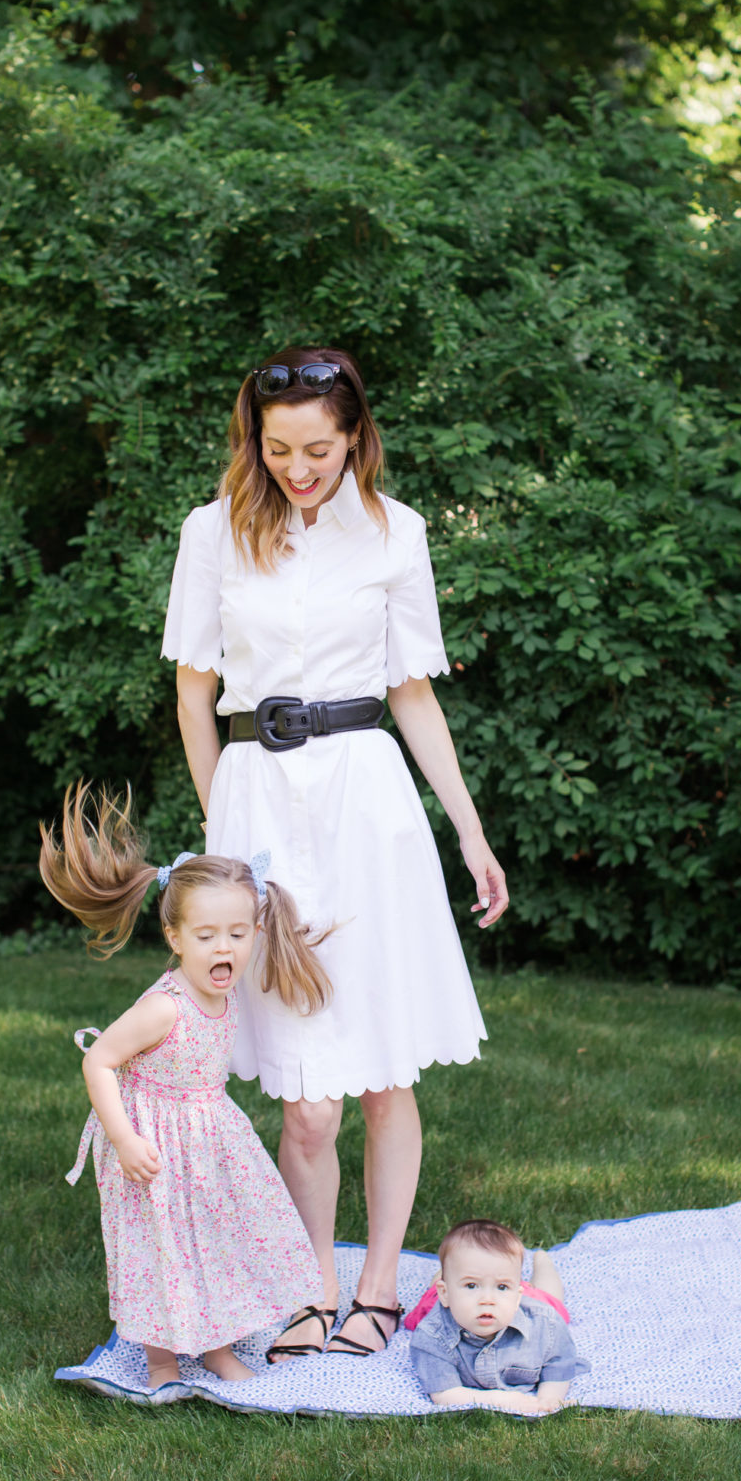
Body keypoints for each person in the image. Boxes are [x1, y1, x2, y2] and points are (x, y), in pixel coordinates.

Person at [161, 346, 508, 1360]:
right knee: (304, 1103)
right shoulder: (211, 533)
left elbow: (411, 693)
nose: (297, 468)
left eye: (317, 447)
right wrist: (221, 827)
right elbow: (193, 688)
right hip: (258, 804)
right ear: (253, 443)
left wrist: (470, 830)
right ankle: (306, 1286)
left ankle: (373, 1289)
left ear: (355, 435)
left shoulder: (397, 534)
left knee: (381, 1074)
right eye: (277, 450)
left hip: (368, 809)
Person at [39, 782, 329, 1392]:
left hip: (206, 1137)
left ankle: (217, 1346)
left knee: (216, 1238)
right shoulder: (164, 1007)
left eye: (237, 933)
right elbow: (99, 1062)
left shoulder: (224, 991)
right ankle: (163, 1359)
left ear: (255, 929)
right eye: (206, 936)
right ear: (175, 939)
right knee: (160, 1246)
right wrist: (122, 1138)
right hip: (151, 1145)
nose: (224, 947)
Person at [405, 1219, 590, 1415]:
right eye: (471, 1286)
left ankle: (542, 1260)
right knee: (434, 1292)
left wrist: (549, 1399)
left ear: (518, 1295)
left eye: (501, 1287)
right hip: (445, 1300)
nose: (487, 1300)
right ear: (446, 1294)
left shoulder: (546, 1323)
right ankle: (448, 1273)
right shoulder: (432, 1334)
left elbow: (559, 1364)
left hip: (523, 1302)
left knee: (551, 1297)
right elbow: (444, 1394)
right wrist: (498, 1399)